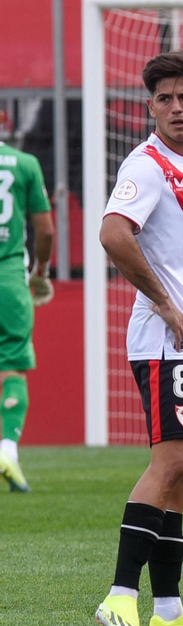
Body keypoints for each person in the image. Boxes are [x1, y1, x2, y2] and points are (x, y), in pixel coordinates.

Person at [93, 51, 183, 626]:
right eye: (164, 99)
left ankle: (168, 610)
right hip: (167, 340)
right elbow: (112, 233)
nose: (176, 107)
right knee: (168, 462)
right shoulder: (146, 165)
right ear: (152, 107)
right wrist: (166, 305)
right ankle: (120, 596)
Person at [0, 140, 55, 493]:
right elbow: (46, 230)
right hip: (9, 281)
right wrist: (41, 271)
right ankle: (7, 451)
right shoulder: (24, 163)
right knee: (12, 367)